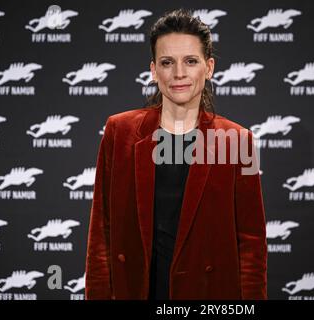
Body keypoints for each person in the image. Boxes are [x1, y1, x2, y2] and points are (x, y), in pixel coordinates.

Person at [85, 8, 267, 300]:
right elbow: (101, 236)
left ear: (208, 68)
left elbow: (251, 245)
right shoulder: (119, 132)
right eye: (168, 62)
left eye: (190, 61)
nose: (179, 73)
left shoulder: (238, 140)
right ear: (154, 70)